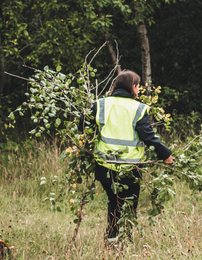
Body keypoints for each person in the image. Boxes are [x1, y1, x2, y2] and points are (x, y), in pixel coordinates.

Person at [78, 70, 173, 243]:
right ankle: (122, 241)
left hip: (105, 165)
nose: (138, 89)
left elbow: (82, 125)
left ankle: (112, 239)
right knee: (129, 205)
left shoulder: (100, 104)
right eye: (138, 85)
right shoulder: (138, 108)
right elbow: (148, 136)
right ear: (133, 87)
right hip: (130, 168)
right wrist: (166, 154)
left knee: (114, 202)